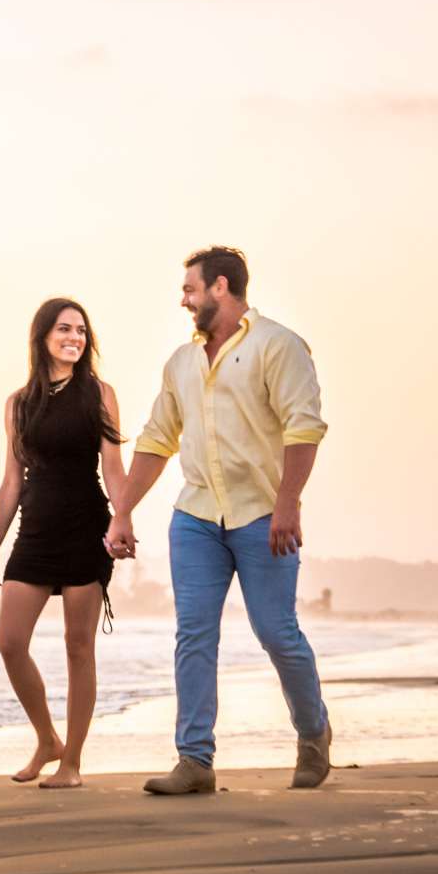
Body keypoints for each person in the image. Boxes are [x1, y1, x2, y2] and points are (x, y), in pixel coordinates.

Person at [106, 247, 331, 794]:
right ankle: (195, 760)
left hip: (262, 514)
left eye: (190, 289)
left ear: (221, 287)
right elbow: (157, 441)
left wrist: (288, 502)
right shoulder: (181, 364)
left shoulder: (279, 345)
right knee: (194, 635)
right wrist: (123, 512)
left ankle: (313, 734)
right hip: (196, 517)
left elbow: (304, 427)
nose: (184, 300)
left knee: (276, 632)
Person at [0, 298, 129, 789]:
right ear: (42, 336)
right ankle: (47, 739)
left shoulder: (99, 394)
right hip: (36, 532)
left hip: (86, 527)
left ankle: (72, 763)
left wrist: (121, 519)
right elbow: (10, 481)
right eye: (65, 329)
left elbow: (113, 468)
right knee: (9, 642)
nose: (75, 337)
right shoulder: (19, 404)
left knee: (78, 646)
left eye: (82, 331)